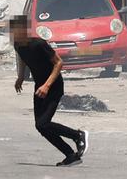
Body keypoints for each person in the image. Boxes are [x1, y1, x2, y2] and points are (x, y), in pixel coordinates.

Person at [11, 15, 88, 167]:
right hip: (39, 87)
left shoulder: (39, 44)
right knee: (40, 126)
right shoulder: (17, 45)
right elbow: (22, 58)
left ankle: (78, 135)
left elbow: (59, 63)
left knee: (43, 123)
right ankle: (71, 155)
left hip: (53, 86)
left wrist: (46, 86)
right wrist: (20, 77)